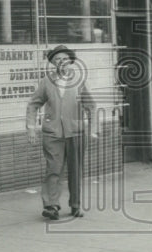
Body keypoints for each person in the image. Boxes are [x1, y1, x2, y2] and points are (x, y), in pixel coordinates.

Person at [26, 45, 98, 220]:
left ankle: (75, 205)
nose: (61, 62)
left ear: (71, 61)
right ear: (53, 63)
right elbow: (33, 104)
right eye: (57, 60)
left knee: (76, 170)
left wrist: (93, 130)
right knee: (53, 169)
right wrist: (31, 127)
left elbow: (91, 106)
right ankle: (51, 206)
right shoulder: (46, 81)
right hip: (53, 133)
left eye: (64, 59)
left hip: (76, 132)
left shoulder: (79, 80)